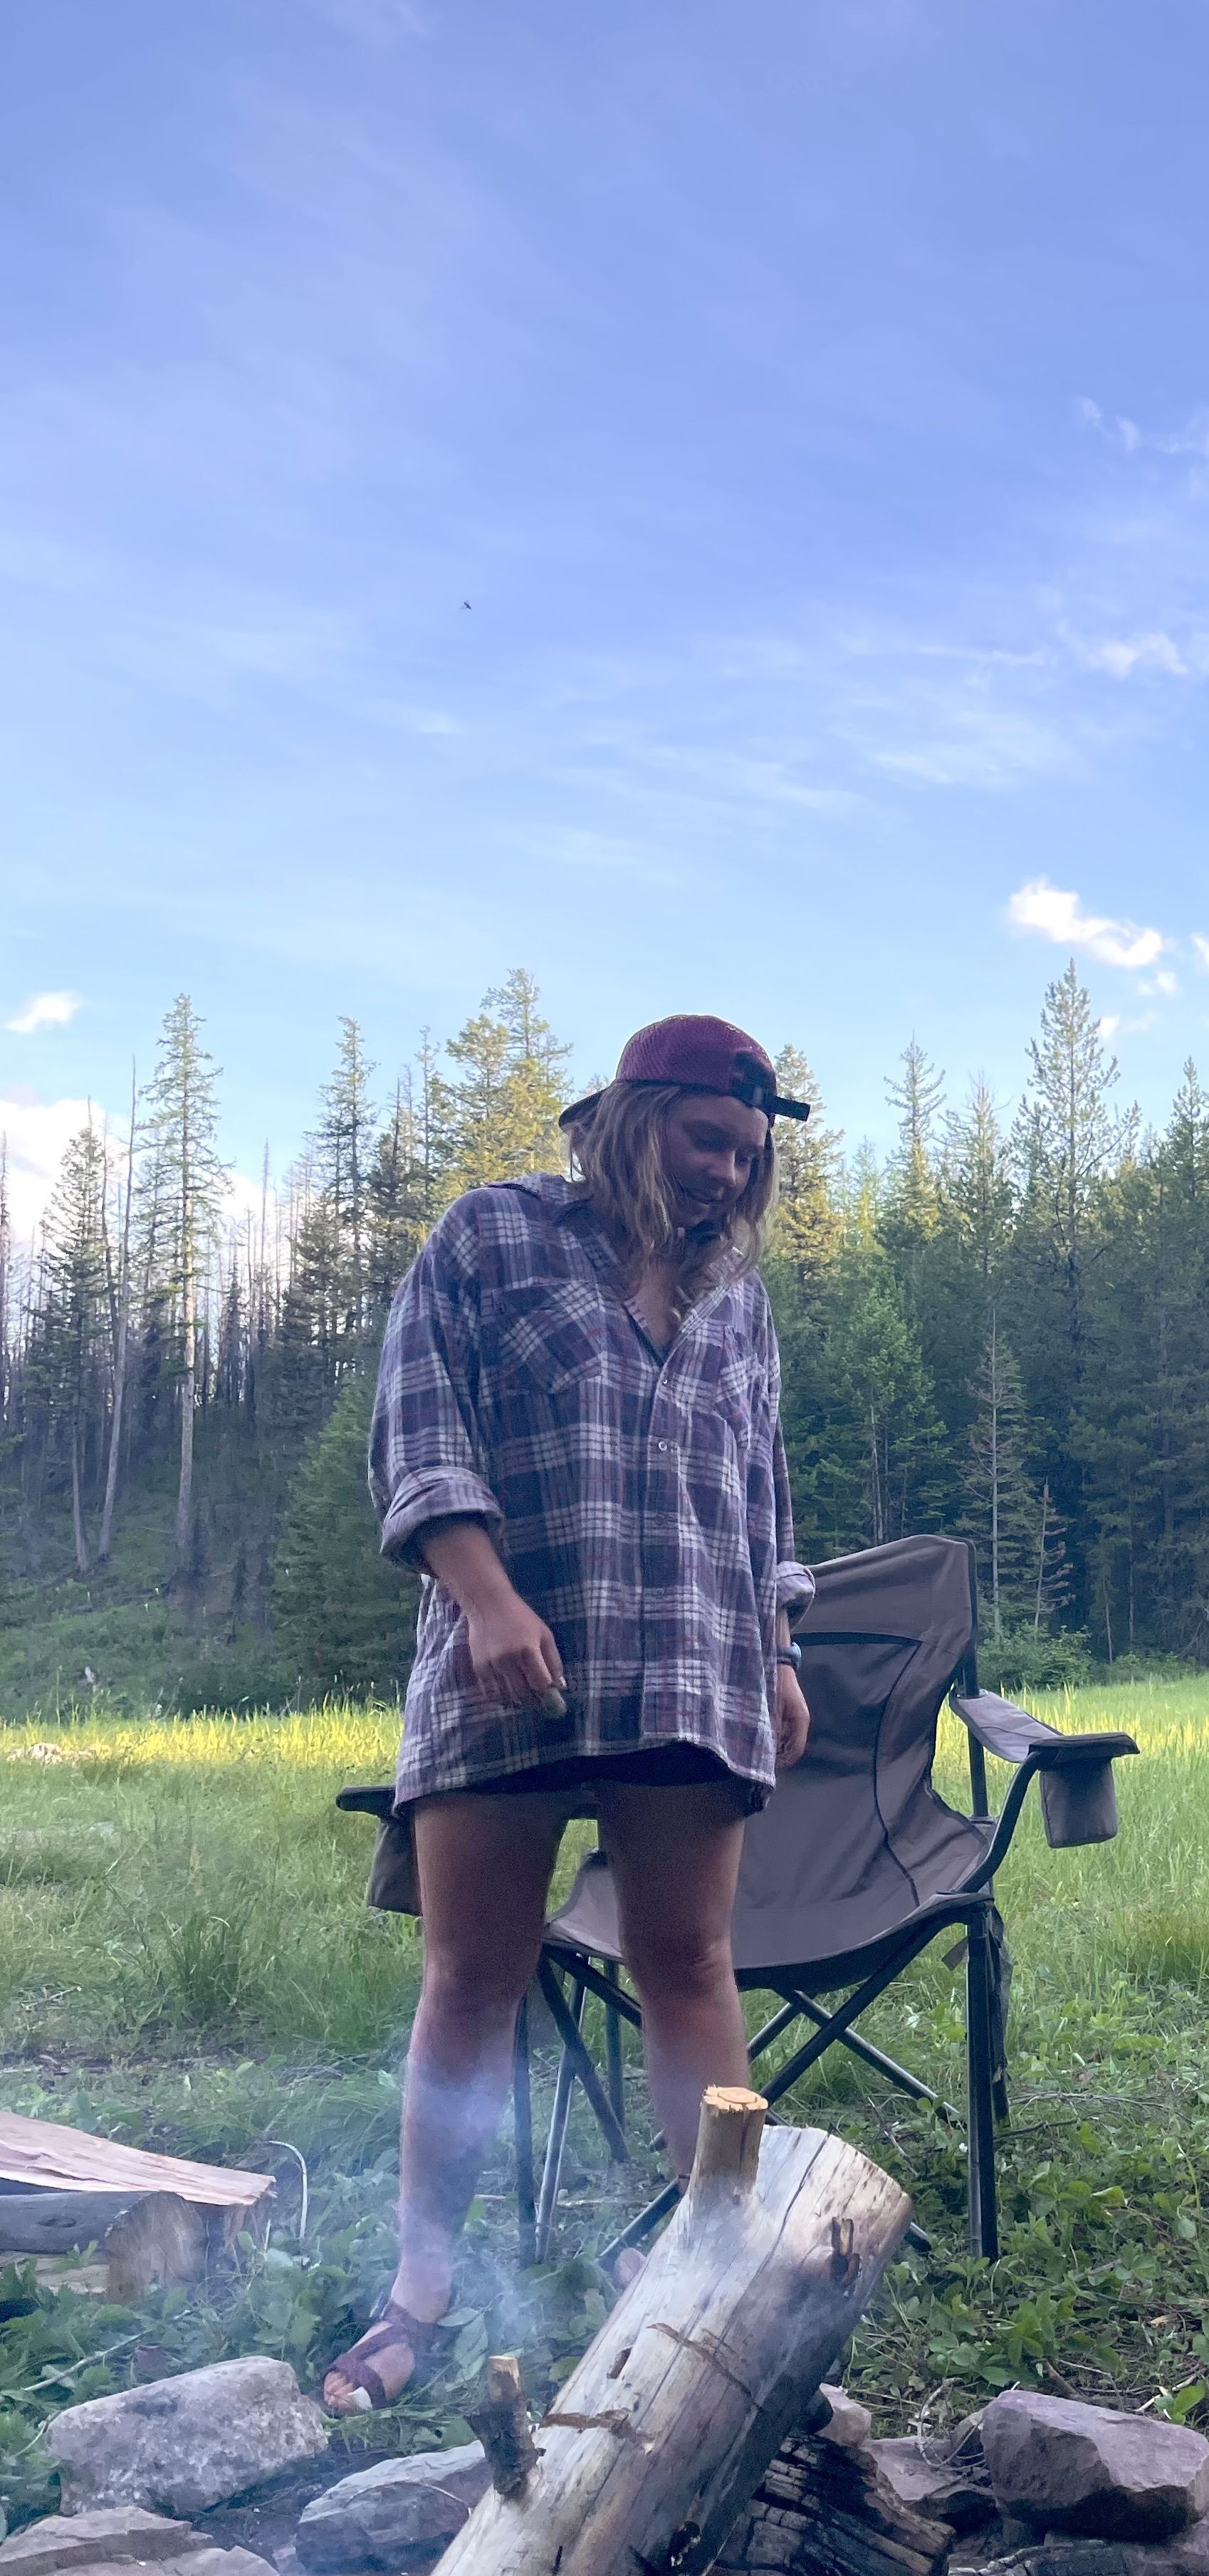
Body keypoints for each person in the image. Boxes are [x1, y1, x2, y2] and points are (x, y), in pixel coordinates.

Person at [322, 1016, 815, 2413]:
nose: (727, 1171)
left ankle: (725, 2288)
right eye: (705, 1139)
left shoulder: (739, 1302)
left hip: (691, 1659)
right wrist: (481, 1597)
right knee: (472, 1981)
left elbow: (760, 1486)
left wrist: (775, 1646)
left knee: (690, 1966)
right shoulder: (491, 1238)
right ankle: (417, 2291)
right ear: (630, 1118)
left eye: (747, 1152)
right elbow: (418, 1431)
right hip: (510, 1657)